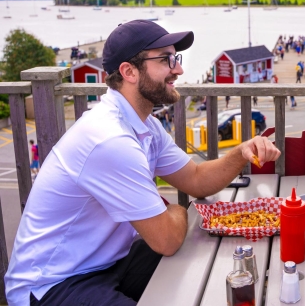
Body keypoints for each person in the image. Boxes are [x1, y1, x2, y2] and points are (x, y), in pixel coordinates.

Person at [5, 20, 281, 306]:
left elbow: (196, 178)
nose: (179, 69)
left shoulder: (141, 123)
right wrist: (176, 210)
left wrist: (240, 152)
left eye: (176, 58)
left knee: (196, 255)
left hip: (105, 263)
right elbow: (167, 240)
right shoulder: (110, 139)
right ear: (129, 72)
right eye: (166, 59)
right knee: (180, 246)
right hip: (51, 284)